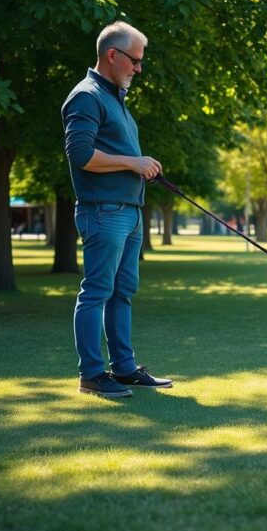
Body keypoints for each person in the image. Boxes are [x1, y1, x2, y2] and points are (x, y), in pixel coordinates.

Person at [62, 21, 173, 398]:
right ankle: (92, 374)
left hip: (128, 212)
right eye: (135, 60)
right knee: (96, 292)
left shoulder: (115, 98)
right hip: (103, 212)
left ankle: (124, 369)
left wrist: (140, 164)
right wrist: (132, 162)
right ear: (113, 54)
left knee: (122, 293)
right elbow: (80, 155)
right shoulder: (86, 96)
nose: (138, 68)